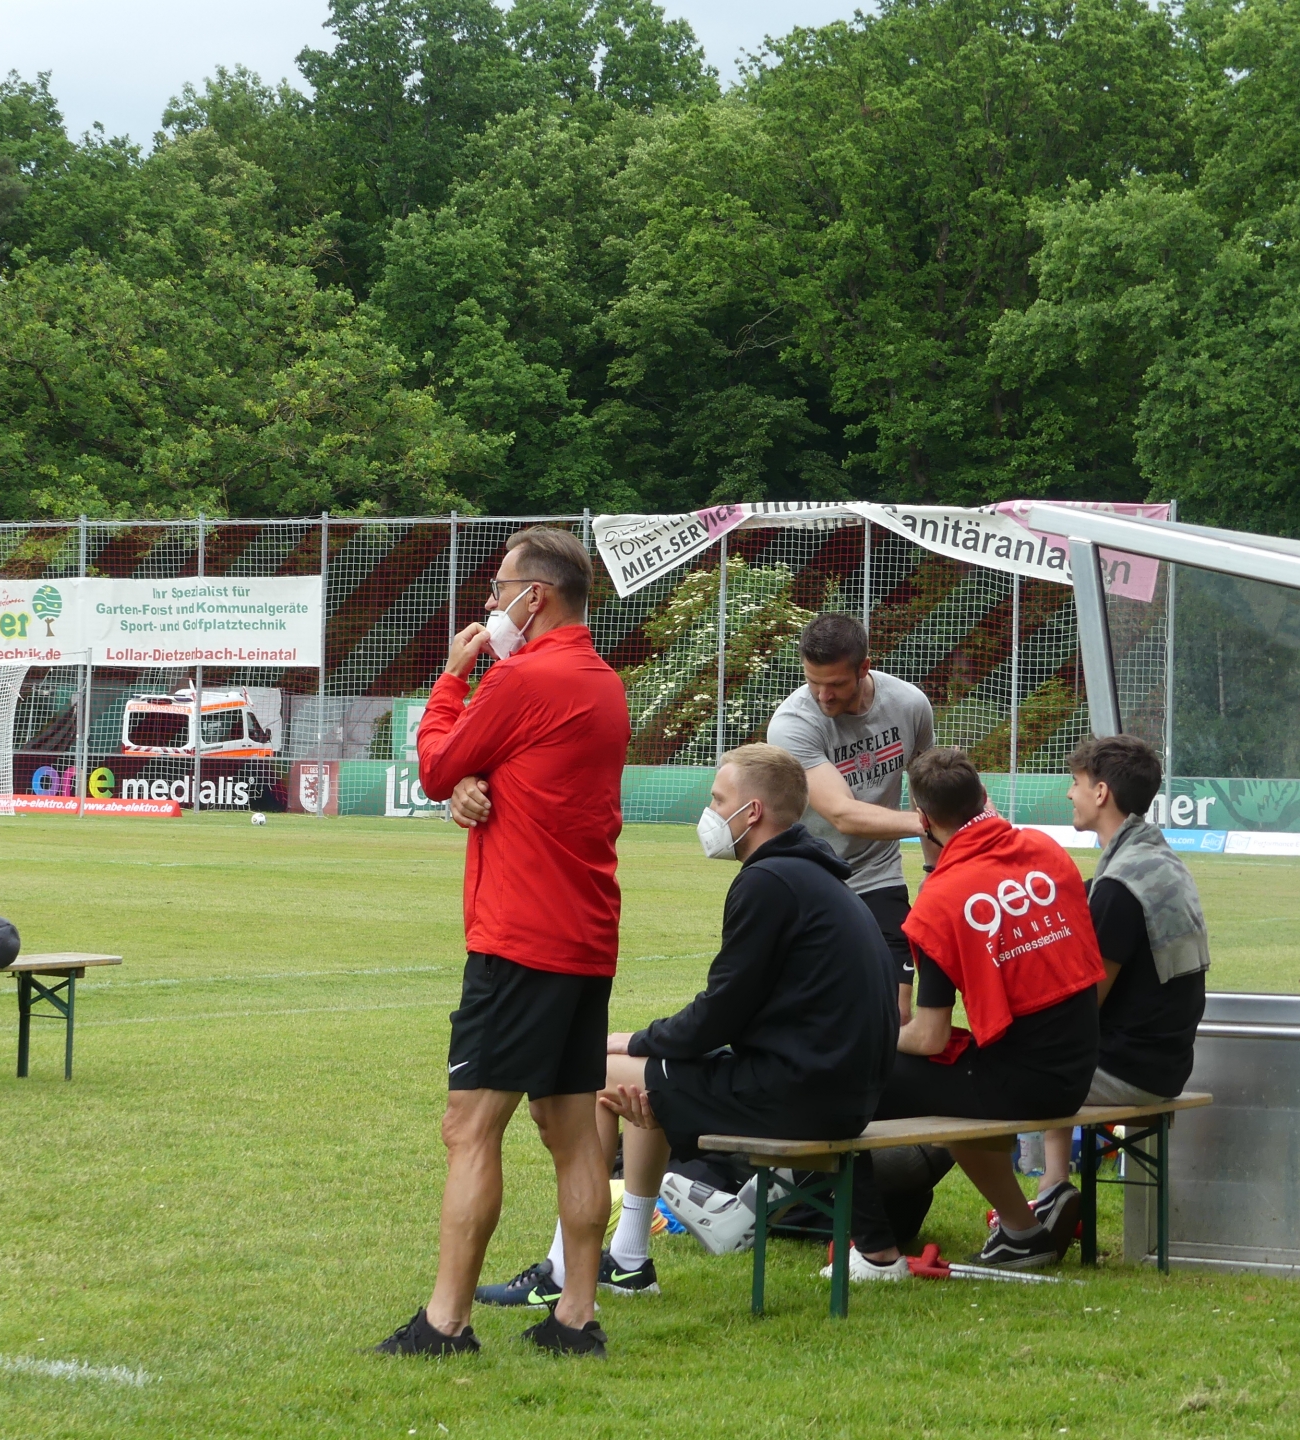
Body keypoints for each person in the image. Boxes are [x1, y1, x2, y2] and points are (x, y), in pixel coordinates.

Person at [473, 743, 906, 1297]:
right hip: (840, 1091)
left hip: (803, 1094)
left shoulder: (769, 882)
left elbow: (719, 1015)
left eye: (718, 800)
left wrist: (638, 1039)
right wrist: (653, 1047)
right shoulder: (817, 878)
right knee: (644, 1076)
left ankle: (561, 1273)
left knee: (598, 1074)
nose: (711, 812)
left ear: (752, 812)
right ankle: (627, 1261)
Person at [375, 527, 629, 1359]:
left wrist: (453, 676)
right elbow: (515, 777)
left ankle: (445, 1322)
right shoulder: (603, 684)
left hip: (520, 938)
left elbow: (437, 765)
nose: (489, 604)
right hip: (584, 936)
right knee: (570, 1130)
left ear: (535, 597)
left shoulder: (522, 677)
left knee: (470, 1127)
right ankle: (576, 1316)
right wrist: (476, 789)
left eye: (499, 589)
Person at [876, 746, 1105, 1270]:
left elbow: (929, 1036)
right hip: (1080, 1063)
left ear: (923, 820)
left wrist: (872, 1032)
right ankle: (1021, 1228)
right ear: (983, 796)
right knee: (961, 1071)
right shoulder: (1044, 848)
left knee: (869, 1067)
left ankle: (863, 1229)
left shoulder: (940, 900)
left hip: (1026, 1081)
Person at [1033, 736, 1209, 1217]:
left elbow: (1082, 1007)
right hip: (1167, 1063)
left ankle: (1041, 1202)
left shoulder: (1119, 886)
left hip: (1130, 1071)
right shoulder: (1160, 861)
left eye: (1076, 782)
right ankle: (1053, 1184)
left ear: (1101, 792)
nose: (1069, 793)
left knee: (1006, 1062)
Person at [766, 614, 935, 1023]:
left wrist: (934, 870)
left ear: (864, 668)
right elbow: (842, 814)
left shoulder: (910, 705)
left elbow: (925, 790)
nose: (823, 696)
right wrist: (933, 823)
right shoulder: (792, 724)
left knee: (895, 1013)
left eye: (836, 684)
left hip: (878, 875)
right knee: (816, 1014)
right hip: (812, 881)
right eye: (813, 682)